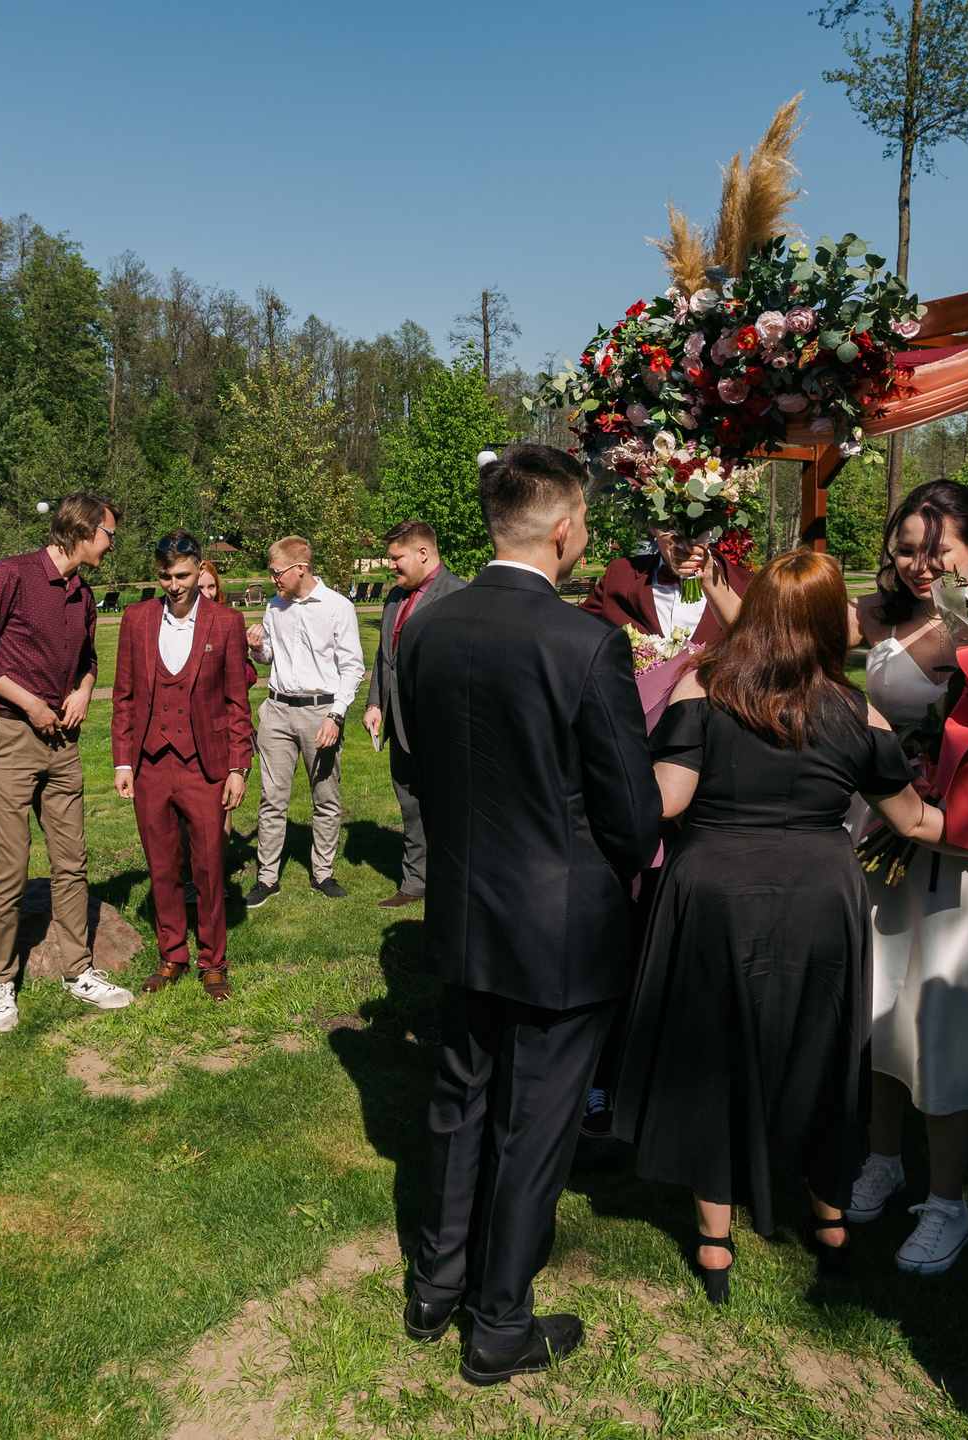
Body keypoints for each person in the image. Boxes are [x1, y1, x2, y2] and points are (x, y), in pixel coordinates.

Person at [615, 550, 949, 1303]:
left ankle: (713, 1240)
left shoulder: (704, 687)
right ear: (833, 622)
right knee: (818, 1047)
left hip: (715, 891)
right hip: (819, 897)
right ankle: (829, 1222)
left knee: (716, 1050)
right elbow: (913, 819)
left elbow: (666, 800)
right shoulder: (856, 708)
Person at [398, 444, 661, 1385]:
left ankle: (436, 1285)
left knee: (461, 1096)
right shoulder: (584, 642)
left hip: (466, 905)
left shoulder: (427, 628)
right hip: (559, 922)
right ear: (562, 531)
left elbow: (424, 773)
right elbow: (631, 814)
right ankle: (499, 1321)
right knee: (536, 1122)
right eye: (584, 523)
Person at [843, 479, 968, 1276]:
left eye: (939, 548)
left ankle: (948, 1205)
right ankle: (884, 1159)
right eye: (908, 547)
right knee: (882, 1002)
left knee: (946, 1017)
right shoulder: (881, 612)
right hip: (887, 830)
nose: (921, 563)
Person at [571, 522, 753, 1143]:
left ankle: (679, 1079)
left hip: (715, 793)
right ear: (656, 527)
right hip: (628, 786)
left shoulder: (747, 588)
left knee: (692, 943)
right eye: (675, 529)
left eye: (702, 529)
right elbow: (584, 652)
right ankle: (601, 1076)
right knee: (617, 934)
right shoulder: (623, 578)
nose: (687, 544)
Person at [0, 492, 135, 1032]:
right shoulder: (11, 575)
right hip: (9, 736)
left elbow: (88, 661)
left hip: (63, 742)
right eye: (108, 534)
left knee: (71, 860)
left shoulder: (83, 595)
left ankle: (78, 969)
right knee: (10, 867)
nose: (111, 543)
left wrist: (82, 691)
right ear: (82, 531)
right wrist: (30, 702)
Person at [110, 530, 254, 997]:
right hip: (150, 763)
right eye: (167, 577)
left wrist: (238, 767)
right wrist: (122, 763)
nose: (174, 585)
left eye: (184, 576)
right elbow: (124, 698)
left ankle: (214, 960)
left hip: (204, 765)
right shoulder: (136, 619)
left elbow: (237, 703)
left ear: (200, 570)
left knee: (209, 865)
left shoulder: (226, 622)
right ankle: (172, 954)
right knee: (161, 865)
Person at [242, 535, 365, 906]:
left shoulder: (337, 607)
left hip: (320, 712)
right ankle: (267, 878)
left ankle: (323, 872)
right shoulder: (275, 606)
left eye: (277, 572)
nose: (272, 578)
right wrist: (256, 647)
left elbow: (352, 667)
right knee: (271, 798)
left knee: (325, 797)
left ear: (301, 569)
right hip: (277, 709)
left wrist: (336, 715)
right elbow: (269, 658)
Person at [361, 519, 466, 909]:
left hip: (441, 729)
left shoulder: (458, 596)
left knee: (447, 807)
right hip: (398, 726)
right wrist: (374, 704)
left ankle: (453, 880)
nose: (391, 565)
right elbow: (382, 659)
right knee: (410, 805)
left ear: (423, 553)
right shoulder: (393, 597)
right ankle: (414, 882)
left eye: (396, 557)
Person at [579, 523, 752, 644]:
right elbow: (576, 633)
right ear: (652, 526)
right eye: (673, 526)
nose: (686, 541)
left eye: (698, 527)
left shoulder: (749, 586)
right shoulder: (618, 576)